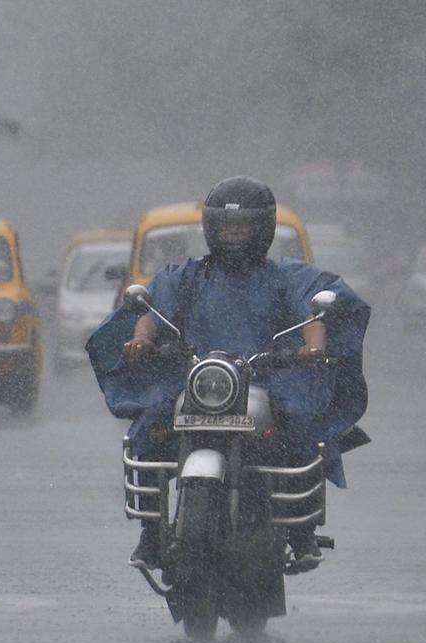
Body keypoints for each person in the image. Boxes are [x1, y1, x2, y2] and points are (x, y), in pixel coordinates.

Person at [86, 176, 371, 572]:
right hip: (199, 380)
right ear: (211, 228)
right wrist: (141, 340)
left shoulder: (285, 276)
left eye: (243, 226)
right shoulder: (185, 275)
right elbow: (152, 311)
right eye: (226, 226)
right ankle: (151, 532)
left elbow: (313, 308)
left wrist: (314, 346)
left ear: (263, 228)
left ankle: (301, 529)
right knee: (148, 426)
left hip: (269, 380)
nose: (234, 234)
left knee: (304, 422)